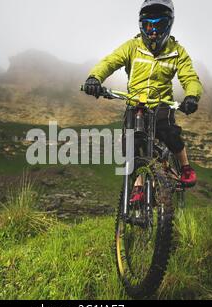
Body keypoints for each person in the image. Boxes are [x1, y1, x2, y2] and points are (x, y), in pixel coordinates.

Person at [83, 0, 203, 199]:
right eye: (149, 25)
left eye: (159, 25)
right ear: (142, 25)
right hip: (135, 104)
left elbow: (190, 77)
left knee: (169, 133)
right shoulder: (132, 46)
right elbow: (110, 62)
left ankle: (185, 167)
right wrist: (94, 78)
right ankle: (138, 184)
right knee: (131, 145)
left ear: (169, 25)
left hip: (162, 104)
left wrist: (192, 96)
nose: (153, 31)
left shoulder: (177, 52)